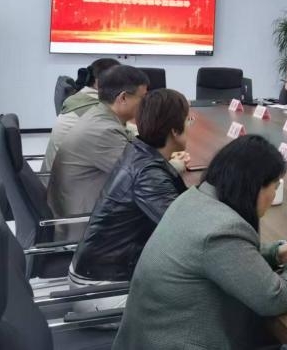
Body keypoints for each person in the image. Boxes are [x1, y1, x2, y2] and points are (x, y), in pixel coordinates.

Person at [112, 135, 287, 350]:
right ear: (255, 186)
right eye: (274, 186)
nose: (274, 195)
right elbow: (274, 298)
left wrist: (275, 253)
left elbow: (216, 258)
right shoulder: (223, 229)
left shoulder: (195, 198)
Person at [68, 89, 192, 306]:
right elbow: (188, 233)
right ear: (174, 130)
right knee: (206, 297)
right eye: (188, 120)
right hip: (102, 288)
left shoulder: (139, 151)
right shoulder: (148, 174)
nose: (190, 125)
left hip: (99, 271)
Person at [47, 65, 149, 224]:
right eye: (143, 98)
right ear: (123, 98)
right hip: (84, 224)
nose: (146, 104)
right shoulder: (103, 131)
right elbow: (143, 178)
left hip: (82, 208)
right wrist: (173, 165)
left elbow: (132, 145)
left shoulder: (100, 114)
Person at [42, 58, 120, 172]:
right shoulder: (94, 109)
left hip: (57, 176)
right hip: (66, 180)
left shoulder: (79, 98)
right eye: (121, 81)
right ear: (98, 82)